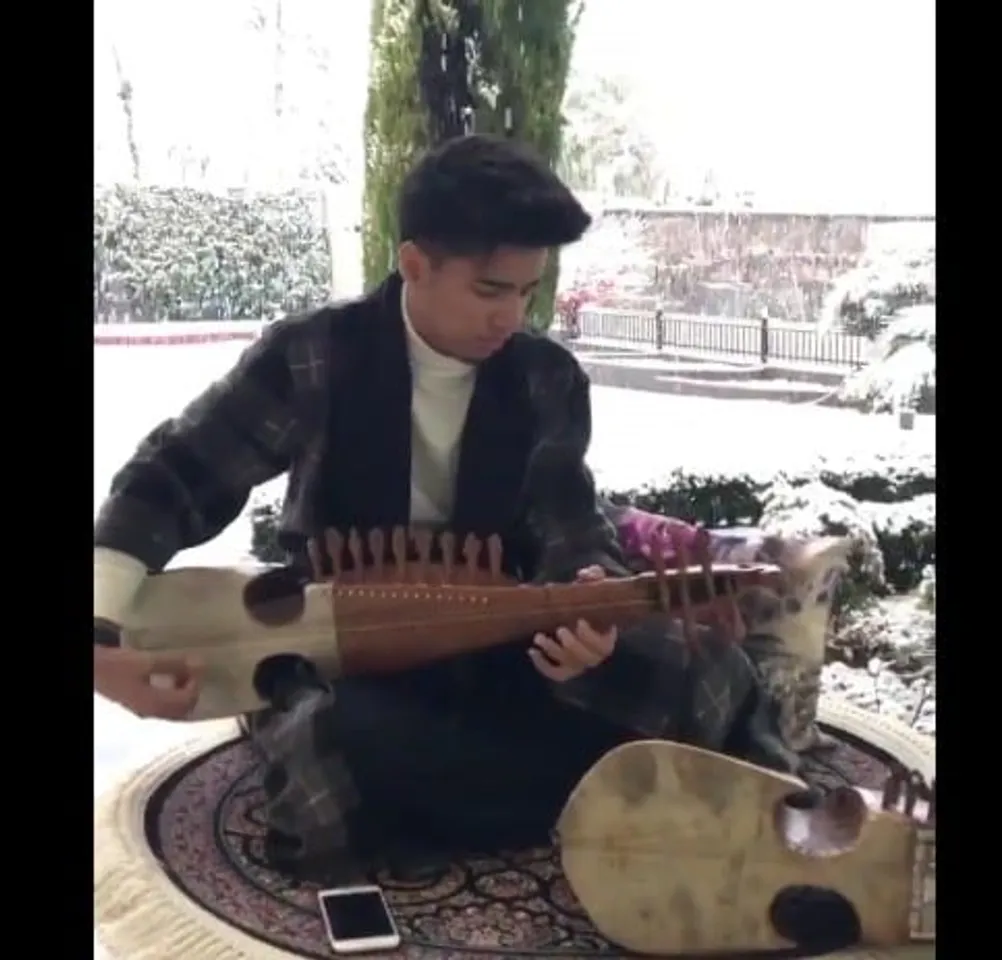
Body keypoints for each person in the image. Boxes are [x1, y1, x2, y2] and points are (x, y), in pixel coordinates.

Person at [94, 134, 807, 876]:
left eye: (528, 290)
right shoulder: (316, 355)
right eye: (491, 290)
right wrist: (102, 629)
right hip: (345, 644)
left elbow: (567, 517)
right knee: (328, 737)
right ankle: (545, 792)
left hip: (506, 629)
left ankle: (487, 798)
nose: (512, 316)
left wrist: (590, 595)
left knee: (708, 670)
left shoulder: (544, 376)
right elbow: (177, 473)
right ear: (414, 265)